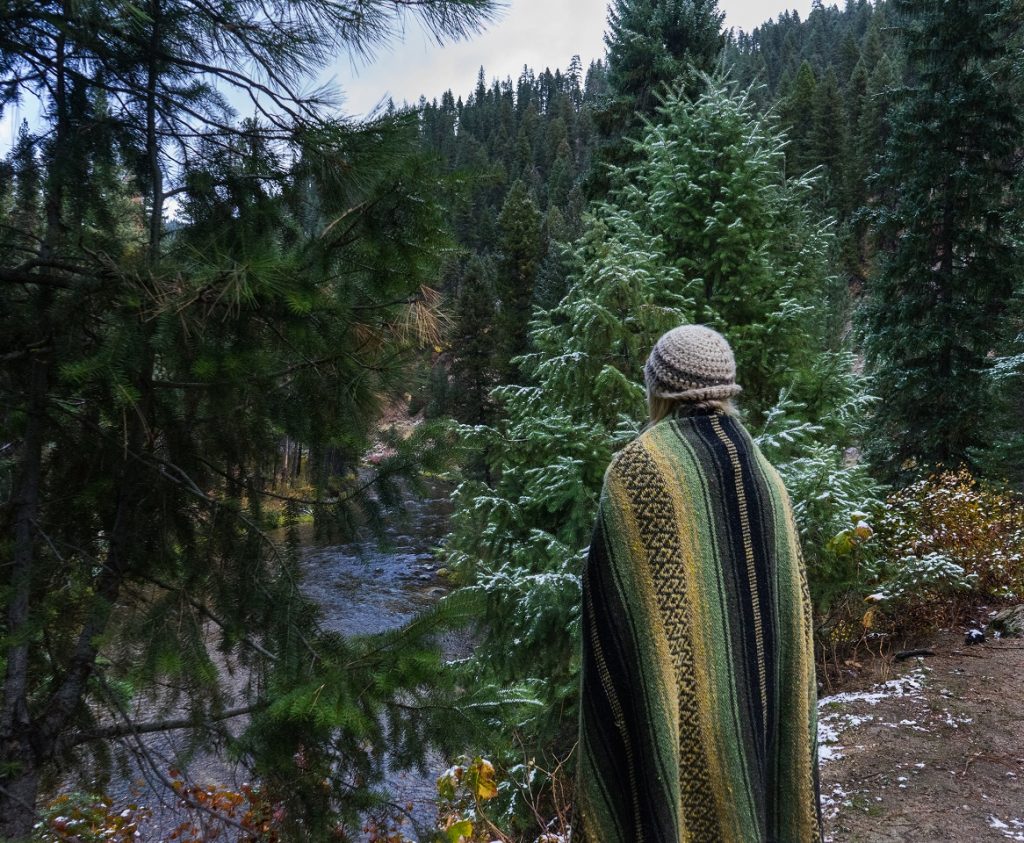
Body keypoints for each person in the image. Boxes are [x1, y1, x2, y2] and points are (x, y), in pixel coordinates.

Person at [576, 324, 822, 842]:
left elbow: (609, 614)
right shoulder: (766, 475)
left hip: (682, 725)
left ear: (657, 388)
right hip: (754, 728)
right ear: (725, 390)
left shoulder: (638, 471)